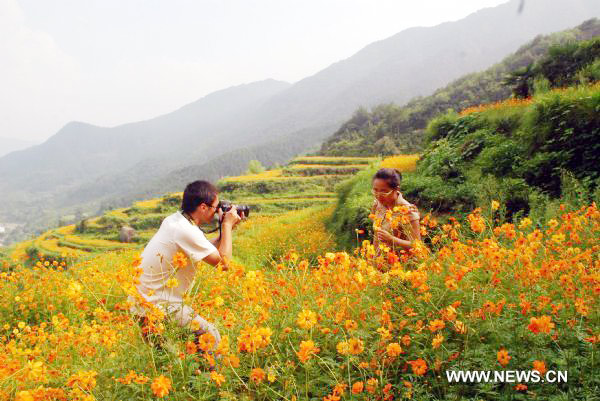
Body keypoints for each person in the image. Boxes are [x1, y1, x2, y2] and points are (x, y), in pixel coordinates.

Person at [128, 180, 242, 353]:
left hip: (143, 305)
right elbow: (224, 264)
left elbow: (205, 249)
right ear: (203, 207)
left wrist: (226, 230)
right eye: (216, 207)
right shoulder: (185, 230)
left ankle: (197, 376)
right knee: (210, 337)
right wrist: (226, 225)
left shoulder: (175, 221)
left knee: (171, 358)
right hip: (158, 306)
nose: (218, 211)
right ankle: (211, 378)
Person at [371, 168, 420, 252]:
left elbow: (417, 245)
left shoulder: (408, 211)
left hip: (400, 263)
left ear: (396, 189)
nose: (378, 196)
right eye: (375, 190)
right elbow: (376, 237)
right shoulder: (377, 205)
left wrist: (392, 239)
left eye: (384, 192)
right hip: (379, 262)